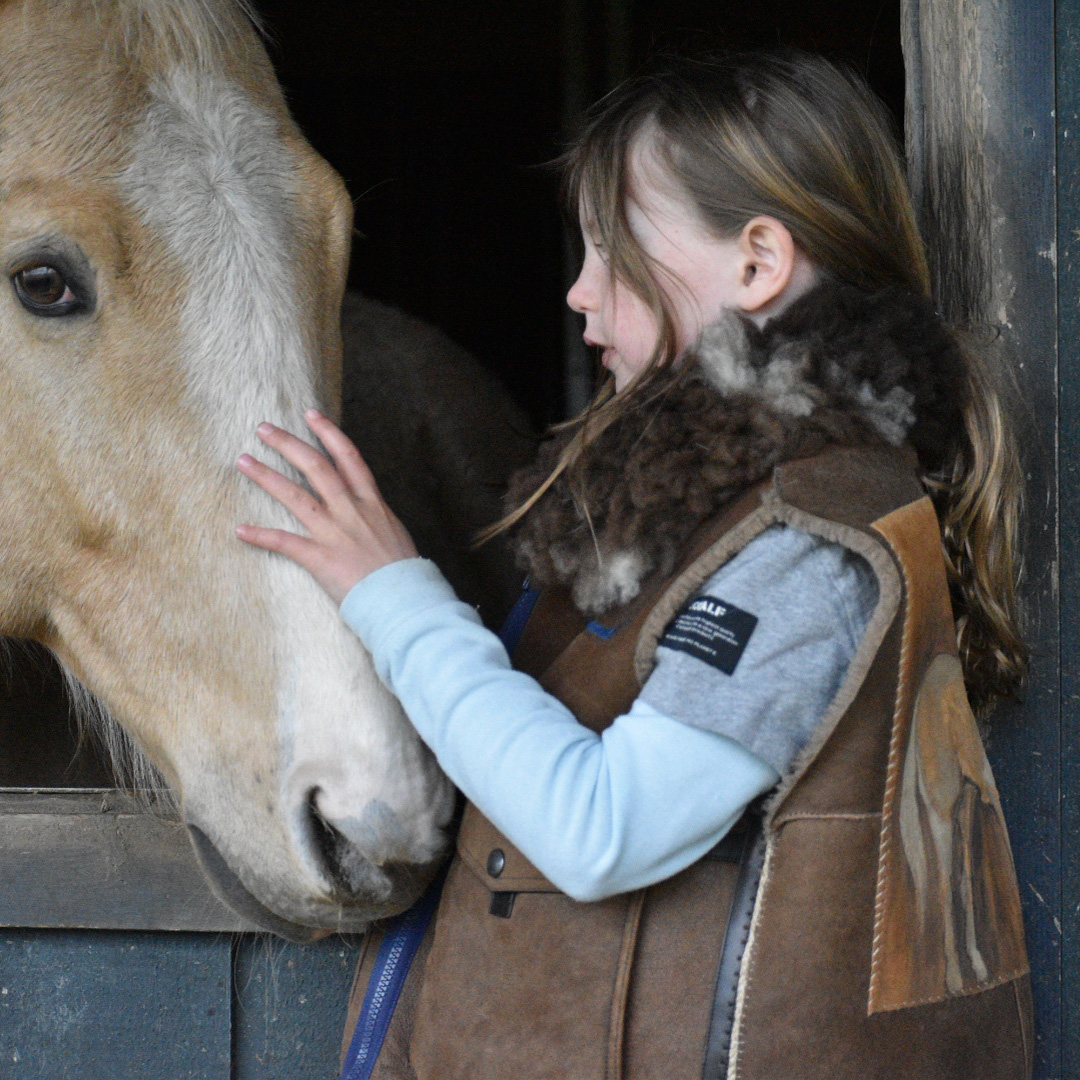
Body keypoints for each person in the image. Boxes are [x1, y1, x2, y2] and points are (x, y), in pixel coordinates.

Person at [236, 51, 1032, 1080]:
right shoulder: (685, 508)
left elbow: (601, 828)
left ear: (758, 263)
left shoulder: (805, 547)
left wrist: (391, 594)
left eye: (613, 250)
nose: (580, 291)